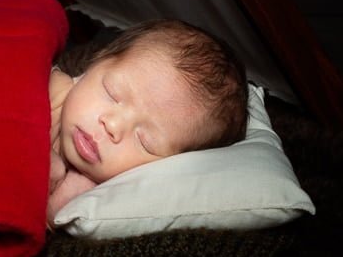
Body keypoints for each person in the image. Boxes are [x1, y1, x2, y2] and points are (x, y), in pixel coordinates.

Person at [47, 19, 248, 223]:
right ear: (95, 63)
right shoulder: (45, 87)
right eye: (112, 93)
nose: (113, 125)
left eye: (144, 141)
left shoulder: (87, 200)